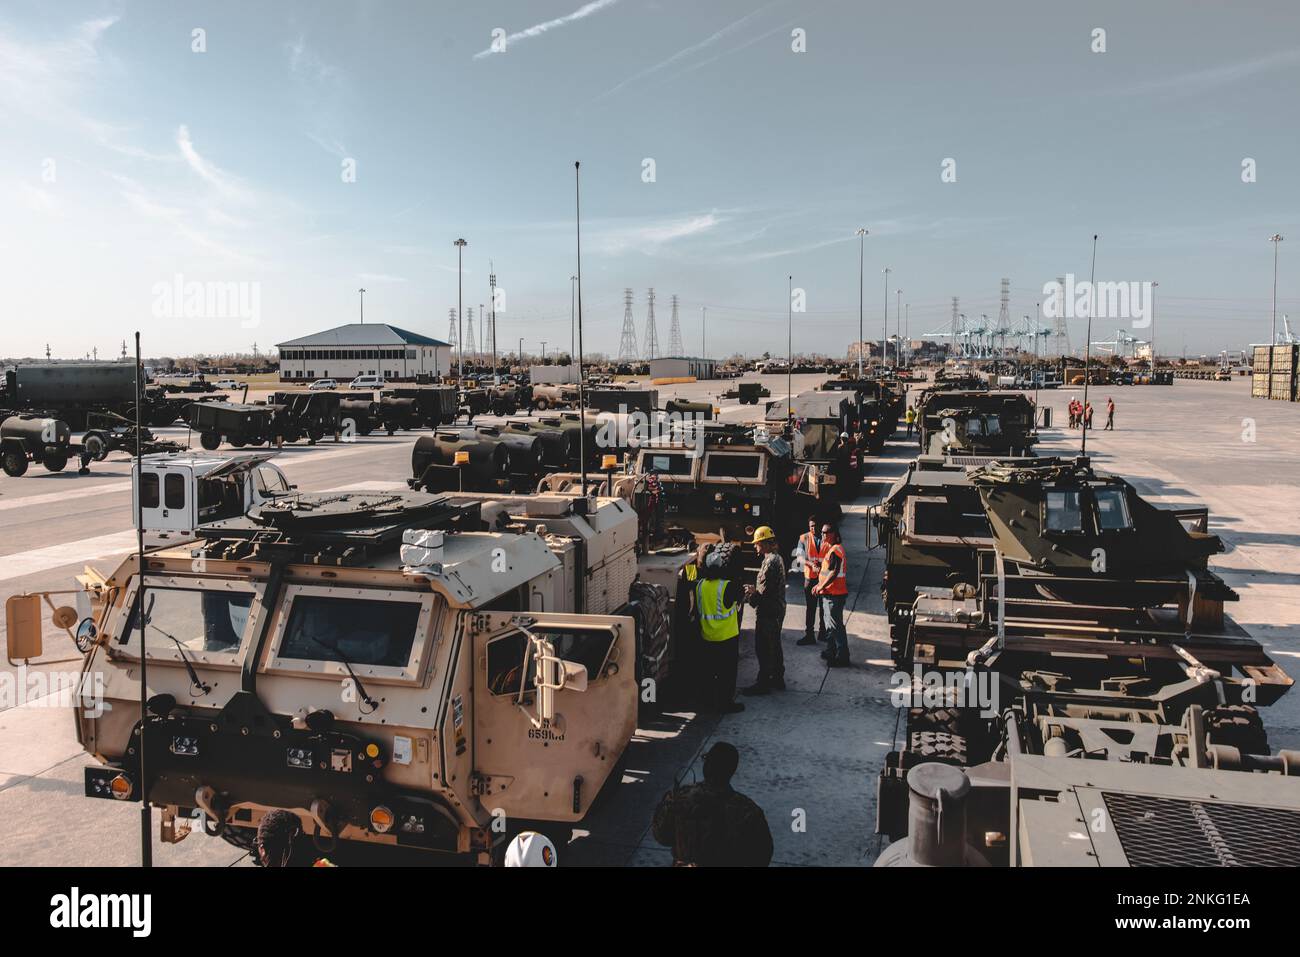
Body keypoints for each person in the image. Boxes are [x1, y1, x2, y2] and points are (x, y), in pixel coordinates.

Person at [651, 742, 773, 867]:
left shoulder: (681, 797)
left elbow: (662, 836)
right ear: (732, 770)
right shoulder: (748, 811)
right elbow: (762, 856)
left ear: (706, 766)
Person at [694, 552, 745, 714]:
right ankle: (726, 704)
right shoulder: (727, 586)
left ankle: (708, 702)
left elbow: (690, 579)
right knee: (727, 675)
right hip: (727, 638)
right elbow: (740, 596)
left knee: (708, 673)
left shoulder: (700, 586)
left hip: (707, 637)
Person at [742, 526, 787, 695]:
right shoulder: (777, 558)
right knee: (775, 644)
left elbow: (763, 595)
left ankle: (763, 683)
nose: (755, 546)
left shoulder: (769, 563)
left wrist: (752, 594)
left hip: (768, 611)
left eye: (757, 543)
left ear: (765, 544)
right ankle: (777, 678)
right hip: (777, 608)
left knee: (763, 646)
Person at [815, 525, 850, 667]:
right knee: (830, 626)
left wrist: (820, 586)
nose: (822, 535)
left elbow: (834, 572)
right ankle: (831, 651)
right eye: (821, 532)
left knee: (836, 627)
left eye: (825, 532)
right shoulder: (832, 549)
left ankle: (842, 657)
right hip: (829, 594)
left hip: (834, 594)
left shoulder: (836, 550)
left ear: (833, 534)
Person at [794, 517, 826, 647]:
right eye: (811, 526)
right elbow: (799, 558)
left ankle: (823, 633)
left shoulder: (826, 538)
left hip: (823, 579)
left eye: (815, 525)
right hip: (810, 578)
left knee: (824, 608)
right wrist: (810, 564)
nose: (813, 528)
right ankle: (809, 635)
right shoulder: (803, 538)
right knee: (811, 608)